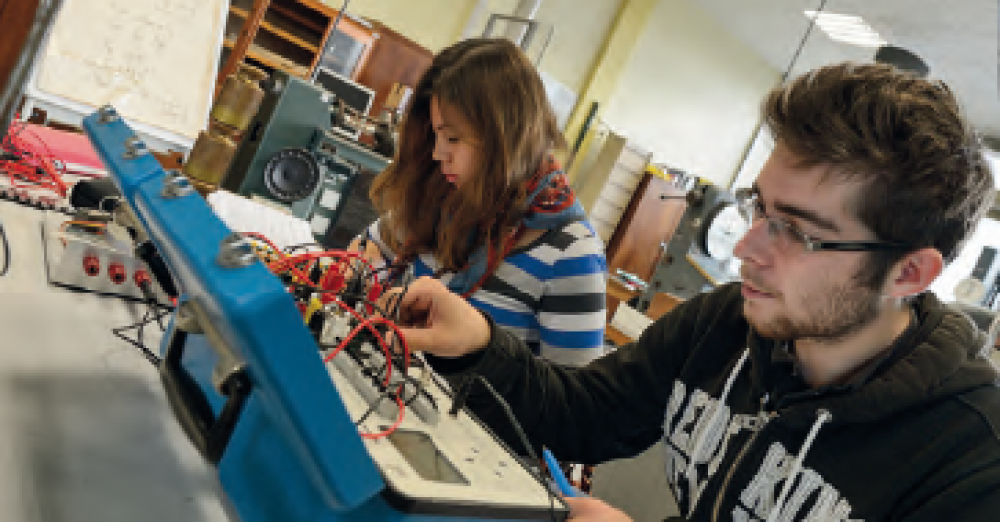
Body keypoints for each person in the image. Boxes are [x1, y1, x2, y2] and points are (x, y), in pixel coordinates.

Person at [391, 62, 1000, 521]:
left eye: (797, 231)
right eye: (759, 208)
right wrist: (477, 343)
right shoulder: (726, 323)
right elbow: (584, 414)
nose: (746, 248)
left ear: (910, 274)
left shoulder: (970, 461)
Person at [353, 38, 607, 367]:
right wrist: (358, 272)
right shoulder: (446, 195)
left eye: (453, 138)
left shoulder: (572, 255)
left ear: (506, 138)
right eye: (436, 136)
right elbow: (371, 247)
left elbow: (569, 403)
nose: (437, 153)